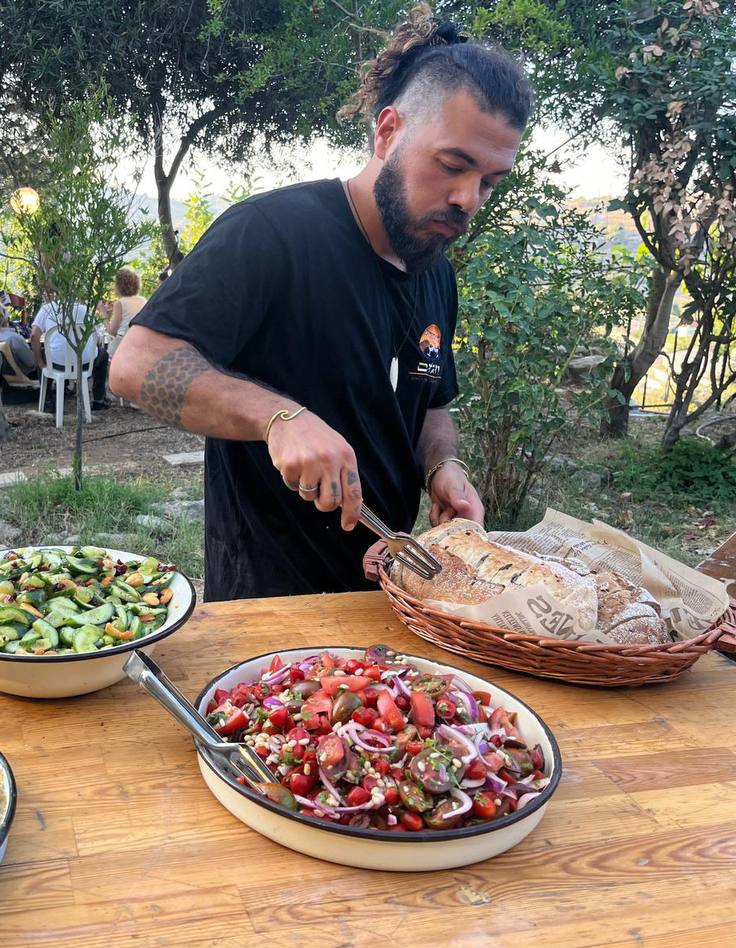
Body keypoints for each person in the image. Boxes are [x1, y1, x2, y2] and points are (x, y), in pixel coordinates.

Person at [110, 4, 529, 601]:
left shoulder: (435, 272)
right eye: (452, 166)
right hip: (270, 606)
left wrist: (443, 466)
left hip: (388, 594)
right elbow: (134, 366)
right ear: (388, 131)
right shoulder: (271, 233)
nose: (468, 199)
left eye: (489, 181)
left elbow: (431, 403)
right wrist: (277, 417)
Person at [30, 295, 108, 408]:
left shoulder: (48, 309)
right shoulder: (84, 309)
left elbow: (33, 336)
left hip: (57, 364)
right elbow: (96, 336)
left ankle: (48, 401)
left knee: (42, 354)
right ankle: (99, 400)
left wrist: (41, 364)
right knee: (103, 354)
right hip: (85, 364)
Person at [105, 266, 147, 358]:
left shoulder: (120, 303)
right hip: (138, 345)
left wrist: (103, 312)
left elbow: (112, 332)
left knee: (102, 351)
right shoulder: (143, 300)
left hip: (122, 345)